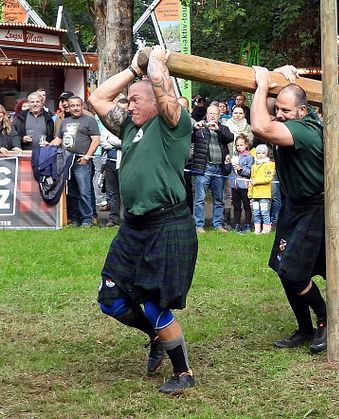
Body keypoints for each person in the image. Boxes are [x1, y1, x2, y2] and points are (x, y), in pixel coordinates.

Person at [89, 46, 198, 394]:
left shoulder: (173, 126)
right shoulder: (128, 128)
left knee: (154, 303)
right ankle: (154, 335)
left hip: (167, 224)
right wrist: (134, 69)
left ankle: (184, 373)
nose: (128, 105)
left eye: (135, 100)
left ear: (154, 101)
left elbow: (165, 94)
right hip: (134, 226)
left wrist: (156, 67)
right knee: (111, 299)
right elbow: (97, 97)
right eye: (129, 100)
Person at [250, 65, 339, 353]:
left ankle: (327, 320)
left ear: (302, 111)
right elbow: (267, 111)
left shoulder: (305, 131)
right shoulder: (302, 119)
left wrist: (263, 82)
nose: (280, 115)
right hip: (295, 205)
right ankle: (304, 328)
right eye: (280, 109)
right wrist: (277, 78)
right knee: (283, 268)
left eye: (286, 111)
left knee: (293, 273)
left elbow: (259, 125)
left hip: (316, 207)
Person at [50, 96, 100, 227]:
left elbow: (96, 140)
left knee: (85, 191)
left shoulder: (90, 121)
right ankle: (75, 219)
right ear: (69, 107)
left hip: (81, 162)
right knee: (71, 192)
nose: (76, 108)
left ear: (82, 105)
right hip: (67, 162)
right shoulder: (65, 121)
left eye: (78, 105)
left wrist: (87, 157)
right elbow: (58, 139)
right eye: (73, 106)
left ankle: (87, 219)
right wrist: (47, 147)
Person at [192, 104, 234, 232]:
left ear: (219, 115)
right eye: (210, 113)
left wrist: (218, 130)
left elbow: (230, 138)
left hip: (219, 168)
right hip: (204, 168)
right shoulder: (199, 128)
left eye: (214, 114)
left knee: (219, 199)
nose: (212, 116)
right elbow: (188, 139)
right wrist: (194, 129)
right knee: (199, 199)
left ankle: (218, 225)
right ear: (206, 114)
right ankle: (199, 225)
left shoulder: (223, 128)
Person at [99, 98, 129, 227]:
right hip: (111, 162)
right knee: (112, 191)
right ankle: (114, 218)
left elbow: (128, 142)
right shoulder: (110, 123)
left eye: (124, 109)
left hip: (126, 162)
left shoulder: (132, 123)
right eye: (119, 108)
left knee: (127, 191)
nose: (121, 111)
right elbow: (103, 141)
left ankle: (128, 219)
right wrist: (115, 142)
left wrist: (113, 141)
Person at [226, 134, 253, 233]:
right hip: (234, 185)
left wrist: (241, 169)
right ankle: (236, 223)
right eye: (237, 145)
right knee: (236, 206)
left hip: (244, 185)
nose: (239, 147)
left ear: (246, 145)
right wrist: (227, 162)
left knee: (246, 206)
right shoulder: (234, 156)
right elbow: (228, 170)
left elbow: (250, 172)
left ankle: (247, 224)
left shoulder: (249, 157)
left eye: (241, 145)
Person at [248, 143, 274, 234]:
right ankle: (257, 229)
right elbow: (251, 180)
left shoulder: (270, 164)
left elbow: (268, 178)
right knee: (256, 212)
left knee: (264, 212)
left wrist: (257, 181)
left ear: (266, 153)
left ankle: (266, 230)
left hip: (264, 194)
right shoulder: (253, 166)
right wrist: (250, 193)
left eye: (263, 153)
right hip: (255, 194)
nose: (260, 155)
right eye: (258, 153)